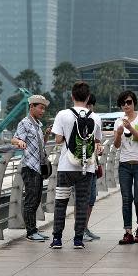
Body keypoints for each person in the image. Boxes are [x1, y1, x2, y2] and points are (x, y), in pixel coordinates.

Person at [50, 81, 102, 250]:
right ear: (88, 98)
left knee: (61, 203)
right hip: (86, 167)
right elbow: (97, 141)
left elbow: (58, 140)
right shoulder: (95, 117)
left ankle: (57, 239)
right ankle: (78, 239)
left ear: (72, 96)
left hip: (66, 166)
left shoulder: (62, 114)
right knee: (81, 203)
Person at [11, 94, 51, 242]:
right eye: (40, 108)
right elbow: (14, 138)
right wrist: (19, 143)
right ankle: (30, 232)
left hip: (38, 167)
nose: (43, 111)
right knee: (31, 200)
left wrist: (46, 135)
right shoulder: (25, 123)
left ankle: (34, 230)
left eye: (44, 108)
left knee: (36, 200)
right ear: (31, 107)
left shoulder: (38, 125)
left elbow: (41, 145)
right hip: (30, 166)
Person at [113, 90, 138, 245]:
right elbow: (116, 145)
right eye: (123, 103)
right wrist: (119, 133)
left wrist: (131, 128)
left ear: (134, 102)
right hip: (125, 165)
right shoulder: (118, 121)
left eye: (129, 102)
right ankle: (128, 231)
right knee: (126, 199)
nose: (126, 105)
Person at [83, 94, 102, 242]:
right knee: (84, 198)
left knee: (90, 199)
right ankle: (81, 229)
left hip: (92, 164)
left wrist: (98, 147)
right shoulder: (72, 116)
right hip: (81, 166)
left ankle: (84, 227)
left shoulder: (95, 118)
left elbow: (98, 141)